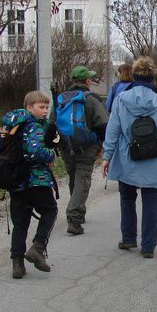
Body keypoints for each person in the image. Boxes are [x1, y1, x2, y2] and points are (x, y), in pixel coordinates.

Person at [101, 56, 157, 258]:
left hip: (127, 157)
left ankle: (129, 237)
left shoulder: (121, 99)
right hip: (153, 157)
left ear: (134, 75)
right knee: (151, 201)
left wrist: (107, 156)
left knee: (127, 197)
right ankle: (148, 246)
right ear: (152, 76)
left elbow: (113, 130)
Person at [2, 91, 58, 279]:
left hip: (16, 180)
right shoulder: (34, 126)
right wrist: (52, 154)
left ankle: (17, 264)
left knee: (21, 222)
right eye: (41, 107)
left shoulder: (13, 125)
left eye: (46, 107)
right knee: (50, 211)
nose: (44, 111)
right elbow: (35, 152)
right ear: (29, 107)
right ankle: (38, 247)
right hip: (36, 180)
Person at [55, 66, 109, 235]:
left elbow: (51, 123)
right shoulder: (92, 99)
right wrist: (101, 145)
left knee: (74, 177)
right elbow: (102, 124)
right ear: (87, 81)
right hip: (87, 147)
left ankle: (78, 212)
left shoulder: (62, 98)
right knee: (82, 180)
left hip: (66, 145)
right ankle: (74, 217)